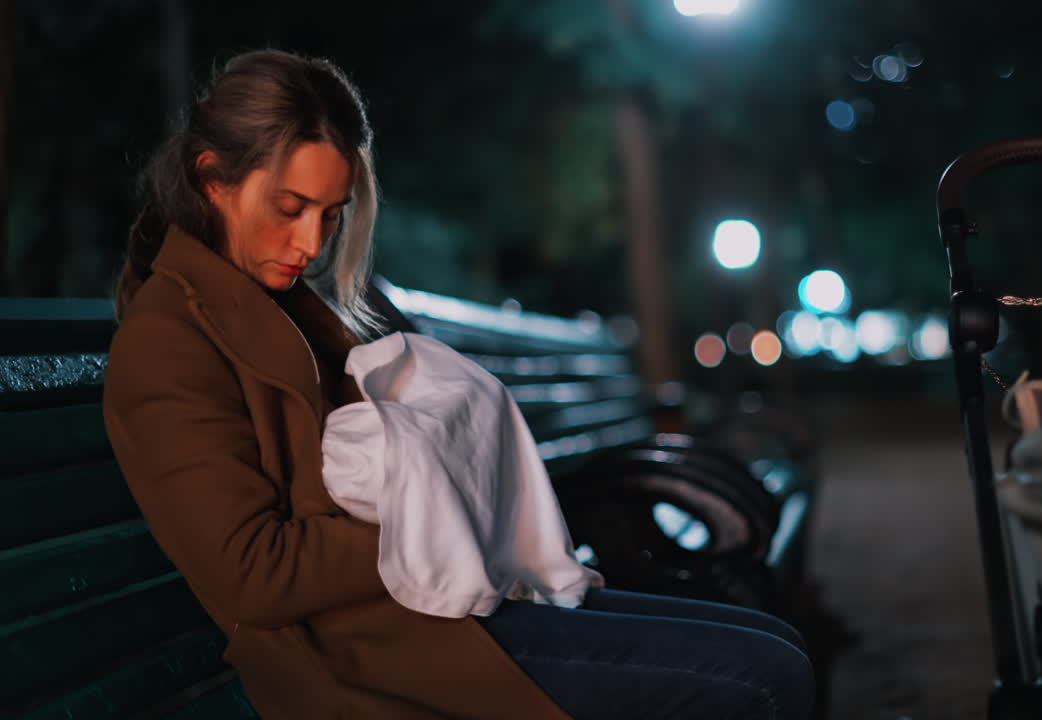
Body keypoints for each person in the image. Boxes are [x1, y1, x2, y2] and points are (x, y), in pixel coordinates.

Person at [104, 48, 815, 720]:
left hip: (448, 605)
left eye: (332, 214)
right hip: (369, 654)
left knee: (776, 648)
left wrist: (451, 494)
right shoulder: (168, 344)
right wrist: (438, 514)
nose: (313, 245)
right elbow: (251, 574)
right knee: (761, 677)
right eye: (290, 209)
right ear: (211, 179)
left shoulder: (286, 301)